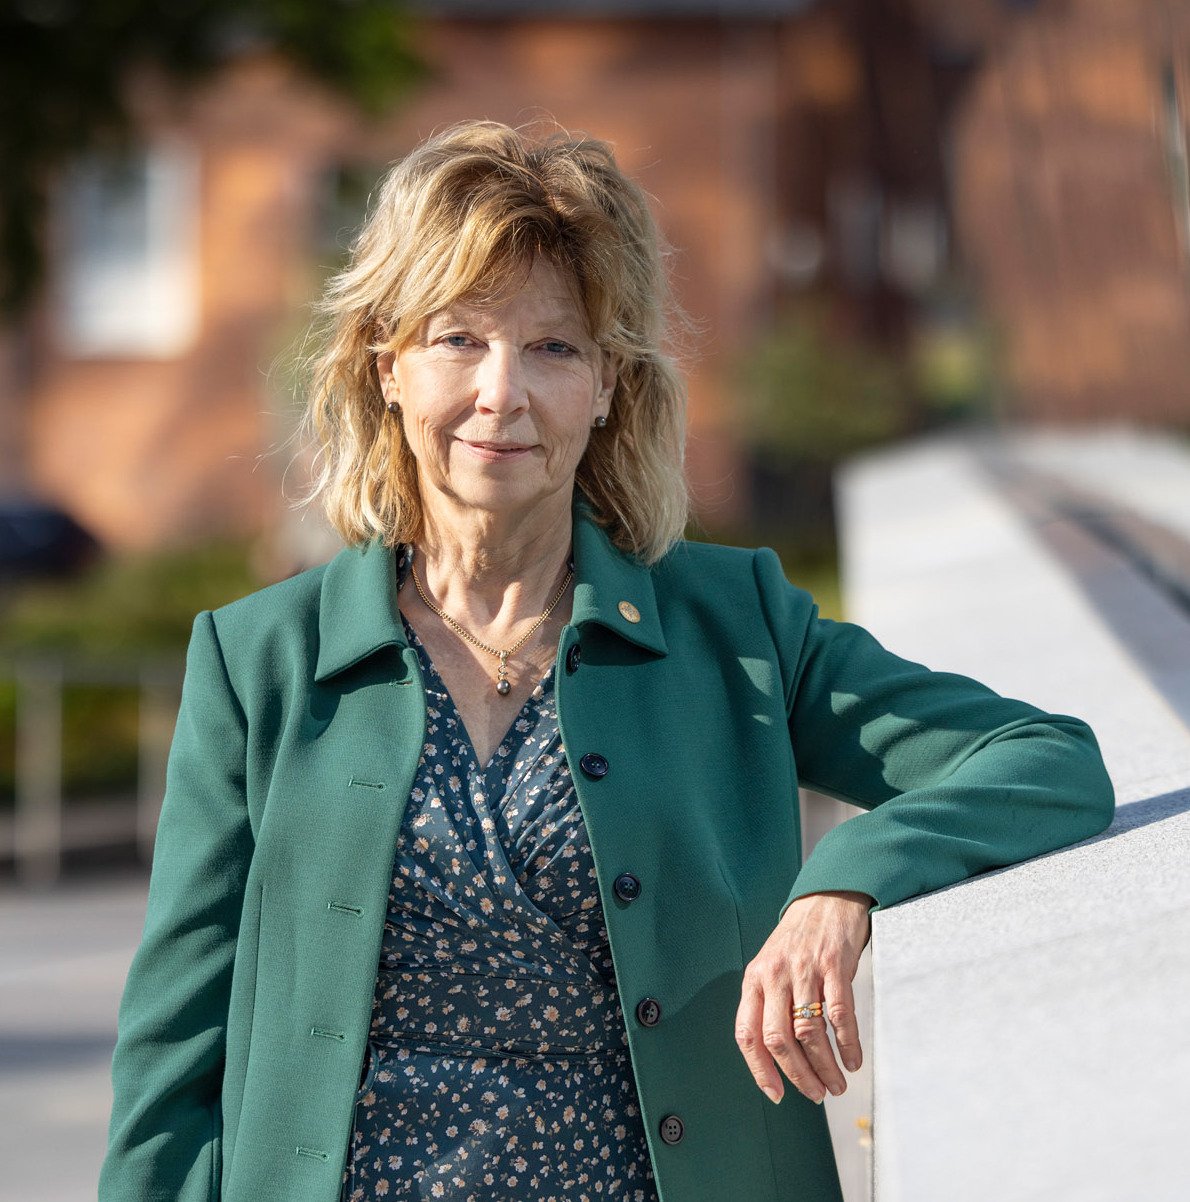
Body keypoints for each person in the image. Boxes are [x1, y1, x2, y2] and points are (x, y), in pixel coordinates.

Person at [98, 119, 1115, 1202]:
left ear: (606, 385)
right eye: (457, 338)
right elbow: (173, 1056)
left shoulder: (736, 629)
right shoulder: (256, 661)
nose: (502, 394)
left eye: (553, 346)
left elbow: (1043, 759)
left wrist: (846, 882)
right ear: (384, 364)